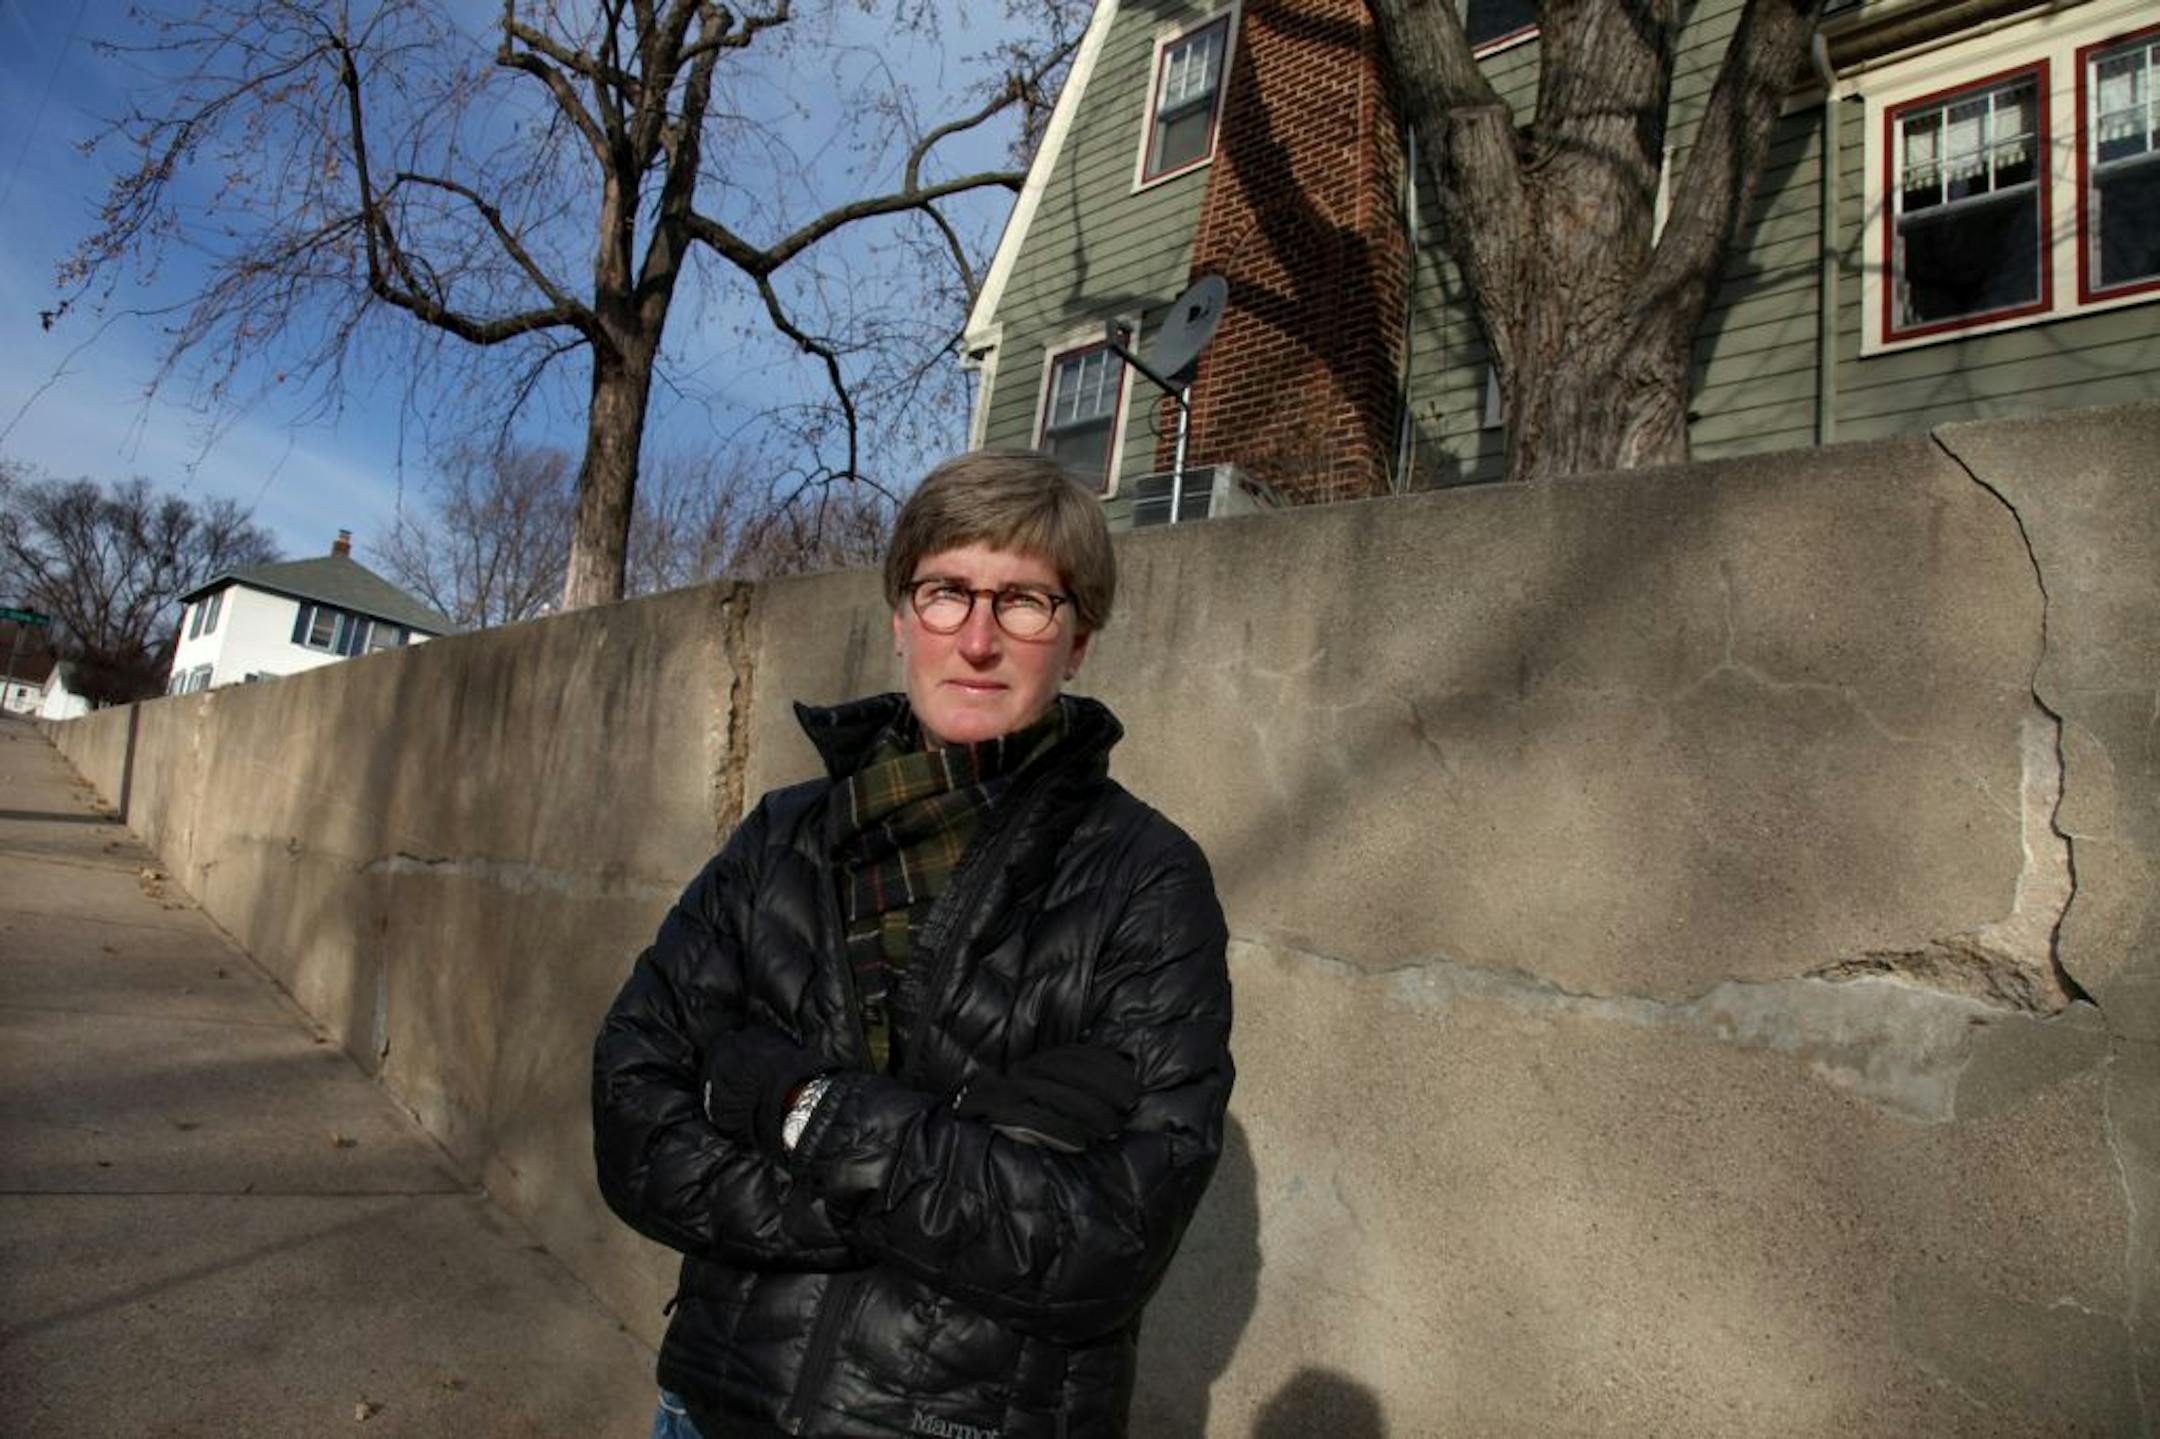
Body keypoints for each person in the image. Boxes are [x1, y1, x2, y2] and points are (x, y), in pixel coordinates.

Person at [593, 450, 1235, 1439]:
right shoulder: (784, 837)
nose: (977, 637)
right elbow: (633, 1112)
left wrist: (800, 1108)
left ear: (1078, 639)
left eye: (1024, 600)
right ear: (901, 618)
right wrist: (937, 1167)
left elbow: (1103, 1237)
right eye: (946, 592)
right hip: (713, 1406)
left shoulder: (1143, 880)